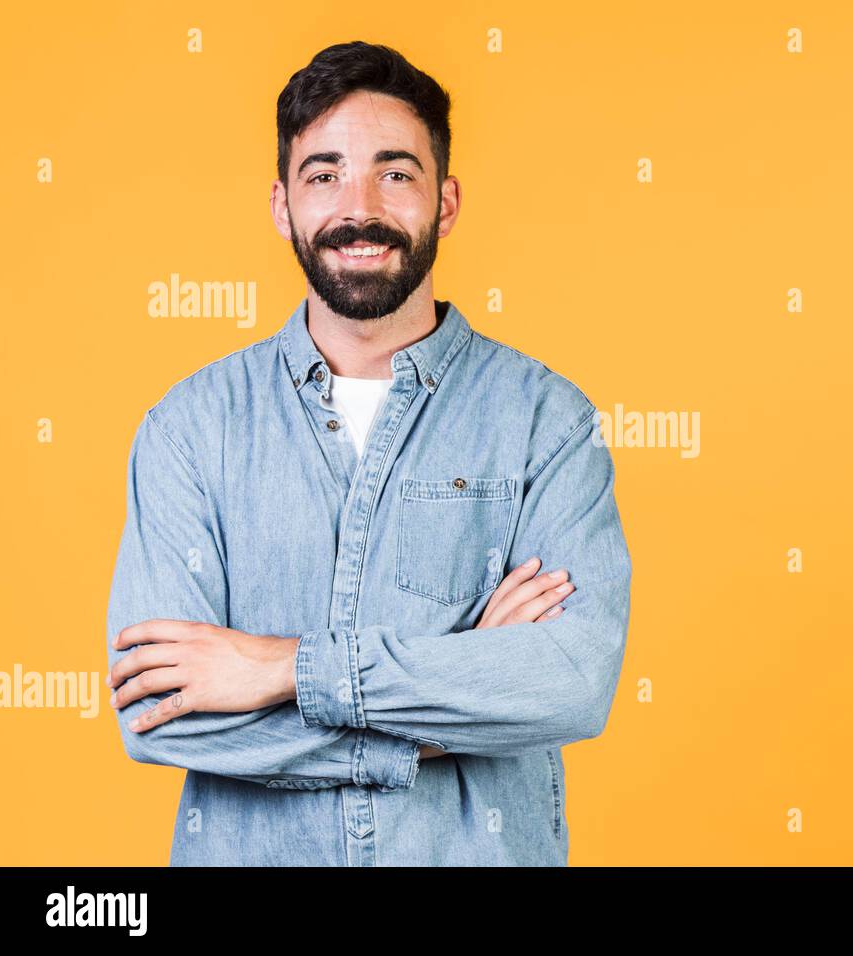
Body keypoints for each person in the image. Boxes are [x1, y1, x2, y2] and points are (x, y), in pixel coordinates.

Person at [103, 41, 632, 866]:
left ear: (445, 200)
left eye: (395, 173)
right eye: (324, 175)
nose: (359, 208)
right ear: (282, 205)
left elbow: (567, 682)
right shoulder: (189, 429)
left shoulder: (544, 422)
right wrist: (444, 711)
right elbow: (159, 710)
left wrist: (281, 669)